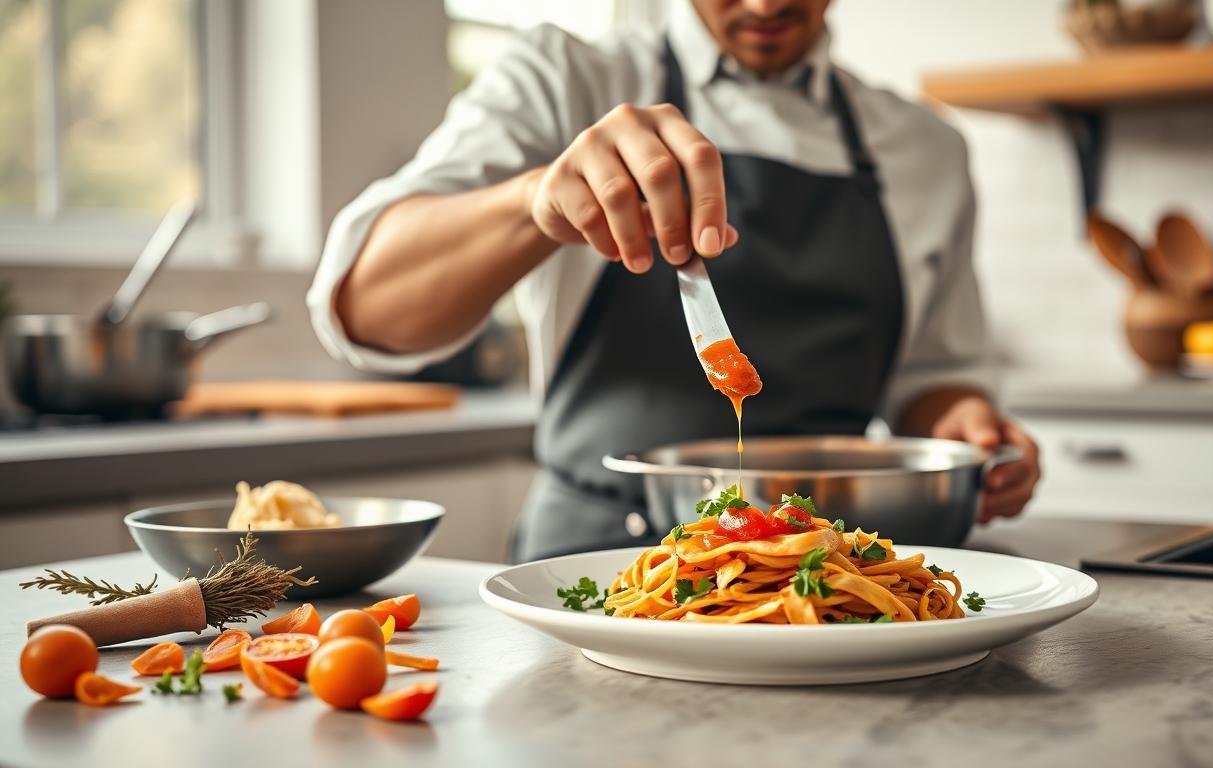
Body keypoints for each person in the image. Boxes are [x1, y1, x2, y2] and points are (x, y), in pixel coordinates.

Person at [308, 0, 1042, 562]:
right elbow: (364, 310)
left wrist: (961, 424)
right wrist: (533, 203)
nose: (764, 5)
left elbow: (932, 381)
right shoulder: (567, 78)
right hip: (594, 562)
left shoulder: (927, 150)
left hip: (826, 569)